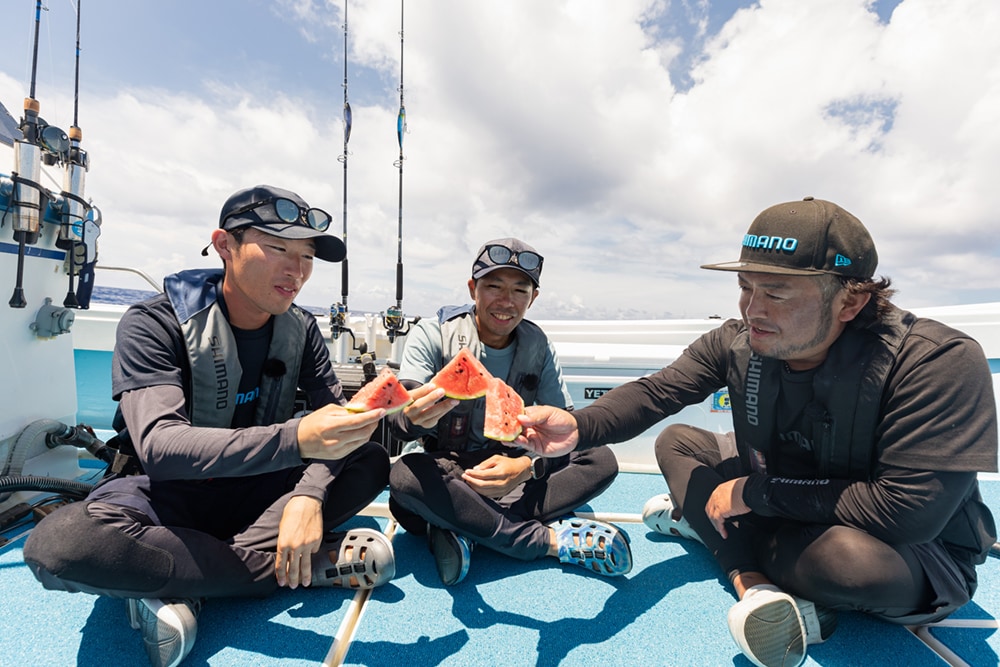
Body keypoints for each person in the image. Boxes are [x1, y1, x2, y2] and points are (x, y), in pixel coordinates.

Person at [514, 198, 998, 667]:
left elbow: (907, 513)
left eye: (777, 293)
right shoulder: (736, 342)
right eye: (746, 288)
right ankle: (750, 578)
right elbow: (657, 392)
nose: (752, 310)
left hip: (902, 546)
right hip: (782, 491)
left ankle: (714, 528)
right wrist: (578, 425)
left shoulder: (937, 361)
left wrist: (754, 493)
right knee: (676, 440)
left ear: (851, 301)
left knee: (843, 565)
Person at [23, 185, 396, 667]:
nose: (297, 270)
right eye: (279, 248)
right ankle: (308, 566)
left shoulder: (302, 329)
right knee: (62, 545)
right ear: (225, 245)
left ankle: (186, 578)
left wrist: (310, 494)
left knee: (370, 461)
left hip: (260, 493)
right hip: (166, 495)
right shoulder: (153, 324)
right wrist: (296, 438)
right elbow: (159, 447)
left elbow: (347, 426)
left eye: (306, 256)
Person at [387, 237, 632, 585]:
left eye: (520, 290)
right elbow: (401, 418)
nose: (506, 302)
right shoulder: (433, 333)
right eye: (493, 286)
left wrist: (526, 467)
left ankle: (466, 526)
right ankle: (540, 540)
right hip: (447, 470)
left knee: (600, 458)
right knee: (404, 478)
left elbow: (567, 433)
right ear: (473, 289)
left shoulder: (538, 345)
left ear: (533, 298)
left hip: (510, 467)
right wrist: (412, 416)